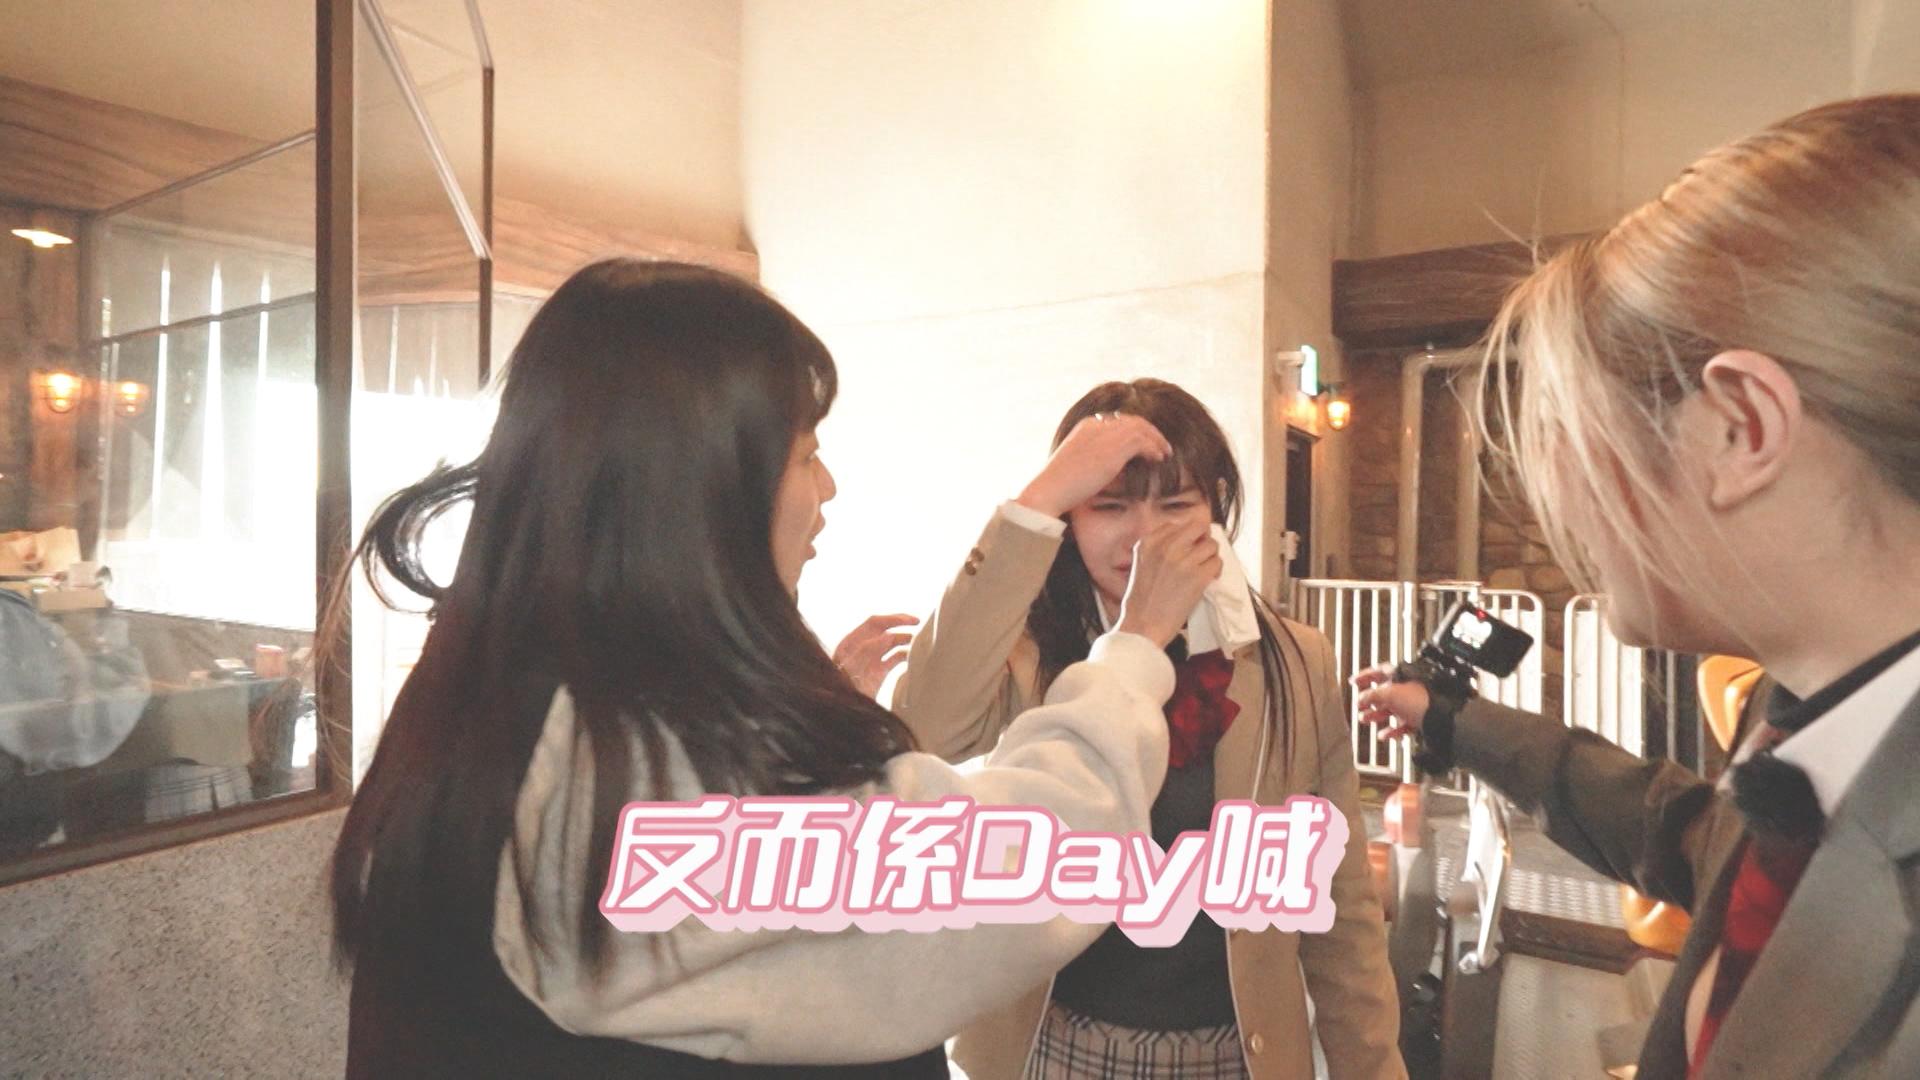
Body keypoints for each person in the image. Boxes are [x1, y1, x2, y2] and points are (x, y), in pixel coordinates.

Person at [328, 260, 1225, 1077]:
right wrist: (1135, 644)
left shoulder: (502, 688)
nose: (826, 489)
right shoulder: (625, 753)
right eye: (806, 454)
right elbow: (1028, 859)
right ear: (699, 490)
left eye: (1177, 507)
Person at [1355, 94, 1920, 1079]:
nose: (1562, 500)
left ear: (1741, 429)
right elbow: (1694, 837)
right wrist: (1447, 718)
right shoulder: (1808, 715)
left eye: (1584, 435)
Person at [893, 379, 1403, 1079]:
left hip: (1235, 1055)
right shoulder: (1029, 649)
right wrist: (1033, 503)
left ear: (1215, 510)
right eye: (1108, 506)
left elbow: (1341, 901)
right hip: (1048, 1048)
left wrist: (1371, 1066)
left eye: (1176, 504)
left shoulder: (1291, 660)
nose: (1142, 535)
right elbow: (923, 724)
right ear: (1071, 519)